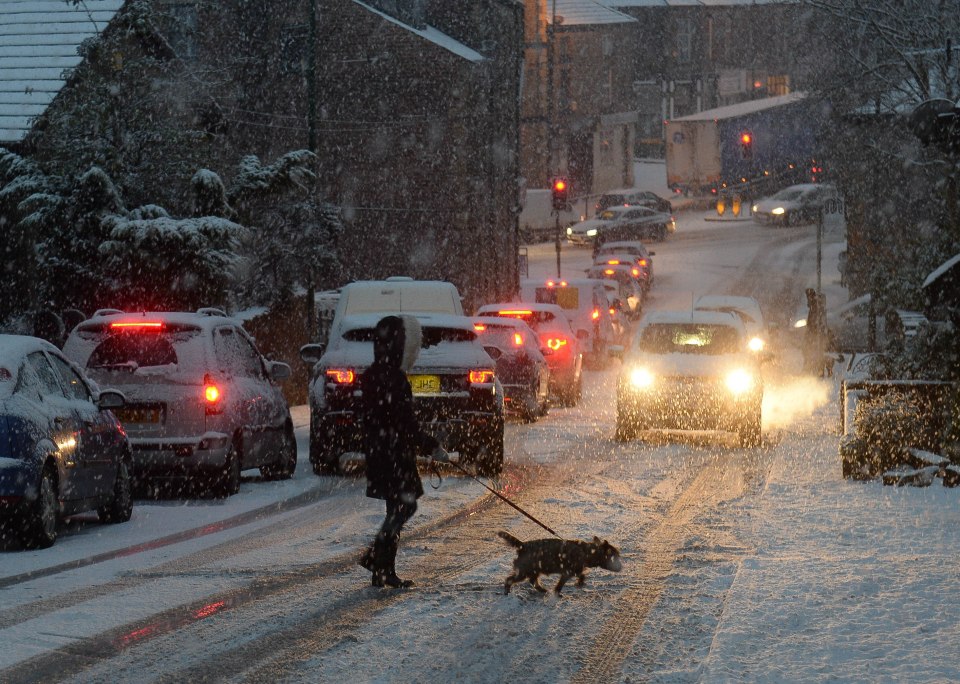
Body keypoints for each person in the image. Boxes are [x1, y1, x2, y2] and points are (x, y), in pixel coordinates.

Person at [357, 315, 447, 588]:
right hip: (395, 453)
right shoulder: (394, 378)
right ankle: (376, 558)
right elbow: (405, 423)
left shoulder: (373, 374)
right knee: (404, 506)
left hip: (380, 450)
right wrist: (431, 446)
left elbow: (378, 418)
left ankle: (383, 570)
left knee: (395, 506)